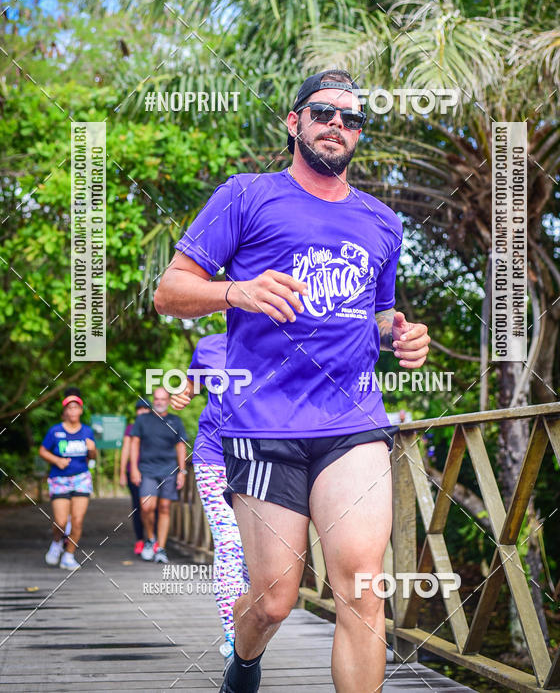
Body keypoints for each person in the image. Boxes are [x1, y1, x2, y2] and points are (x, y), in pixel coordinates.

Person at [154, 69, 430, 693]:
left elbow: (379, 313)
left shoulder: (382, 222)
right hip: (263, 424)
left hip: (352, 424)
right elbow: (169, 292)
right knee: (275, 600)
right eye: (324, 113)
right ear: (294, 122)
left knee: (362, 589)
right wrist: (236, 290)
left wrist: (399, 335)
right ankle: (244, 661)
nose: (338, 125)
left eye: (352, 119)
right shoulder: (246, 196)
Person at [171, 332, 249, 662]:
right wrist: (183, 394)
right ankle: (235, 639)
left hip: (262, 460)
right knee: (230, 544)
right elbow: (191, 382)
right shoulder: (209, 346)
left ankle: (252, 627)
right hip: (214, 457)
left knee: (253, 554)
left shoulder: (282, 340)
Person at [39, 388, 96, 571]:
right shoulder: (55, 431)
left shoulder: (87, 431)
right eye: (69, 408)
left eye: (76, 407)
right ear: (65, 411)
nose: (72, 411)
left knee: (78, 521)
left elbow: (92, 457)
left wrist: (92, 448)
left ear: (81, 410)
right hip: (59, 479)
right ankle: (57, 543)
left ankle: (69, 556)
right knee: (61, 522)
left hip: (81, 477)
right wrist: (57, 460)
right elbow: (42, 451)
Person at [129, 386, 187, 564]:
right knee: (146, 507)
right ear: (154, 400)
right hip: (147, 469)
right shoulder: (143, 420)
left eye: (163, 399)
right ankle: (150, 539)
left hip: (169, 470)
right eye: (157, 399)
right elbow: (134, 444)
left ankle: (160, 548)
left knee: (164, 508)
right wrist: (134, 468)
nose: (159, 402)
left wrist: (182, 471)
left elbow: (181, 446)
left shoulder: (176, 421)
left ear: (168, 401)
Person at [119, 398, 152, 555]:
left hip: (152, 472)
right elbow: (125, 449)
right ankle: (140, 540)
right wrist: (121, 473)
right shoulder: (131, 428)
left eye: (145, 409)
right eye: (139, 409)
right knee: (138, 507)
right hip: (133, 472)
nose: (142, 412)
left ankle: (153, 540)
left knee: (152, 507)